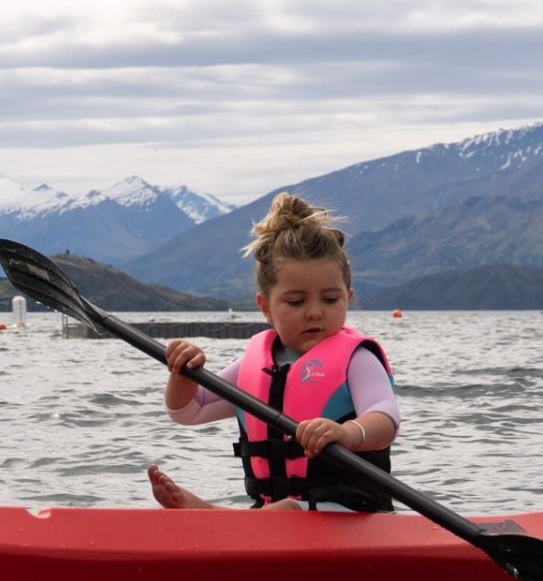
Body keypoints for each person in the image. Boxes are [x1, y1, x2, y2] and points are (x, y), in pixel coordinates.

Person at [147, 192, 401, 512]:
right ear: (265, 307)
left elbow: (386, 418)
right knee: (284, 510)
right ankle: (230, 522)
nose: (314, 312)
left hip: (352, 511)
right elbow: (188, 411)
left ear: (348, 297)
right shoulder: (254, 364)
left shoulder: (357, 360)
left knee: (288, 510)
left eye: (330, 299)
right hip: (274, 512)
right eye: (296, 302)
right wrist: (181, 374)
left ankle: (216, 518)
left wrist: (347, 433)